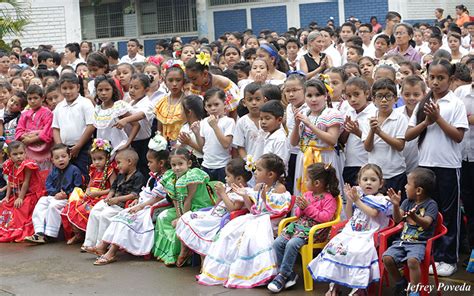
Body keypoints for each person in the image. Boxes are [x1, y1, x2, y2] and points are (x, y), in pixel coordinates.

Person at [406, 59, 468, 276]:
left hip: (448, 166)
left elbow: (458, 136)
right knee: (428, 212)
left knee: (448, 214)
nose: (435, 82)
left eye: (440, 78)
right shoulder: (423, 104)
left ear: (450, 80)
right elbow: (408, 135)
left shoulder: (455, 104)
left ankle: (448, 258)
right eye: (432, 77)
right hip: (425, 167)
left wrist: (438, 118)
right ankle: (431, 255)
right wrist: (427, 122)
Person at [197, 153, 292, 288]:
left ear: (270, 174)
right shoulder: (257, 187)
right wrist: (246, 196)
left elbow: (277, 210)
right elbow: (254, 209)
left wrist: (265, 198)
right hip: (256, 218)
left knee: (250, 237)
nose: (255, 173)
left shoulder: (279, 188)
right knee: (229, 232)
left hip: (269, 221)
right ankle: (229, 270)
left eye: (259, 170)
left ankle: (258, 272)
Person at [308, 164, 393, 295]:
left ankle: (359, 288)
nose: (368, 183)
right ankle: (334, 286)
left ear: (381, 183)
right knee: (334, 248)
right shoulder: (358, 195)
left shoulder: (381, 199)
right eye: (365, 180)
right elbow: (349, 216)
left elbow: (373, 213)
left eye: (373, 180)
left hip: (369, 234)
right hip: (352, 232)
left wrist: (357, 201)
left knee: (358, 252)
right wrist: (349, 200)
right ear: (359, 182)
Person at [93, 141, 171, 265]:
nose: (148, 164)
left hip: (156, 206)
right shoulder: (154, 175)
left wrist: (140, 206)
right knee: (121, 216)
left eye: (150, 162)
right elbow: (147, 192)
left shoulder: (167, 177)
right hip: (145, 203)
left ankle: (111, 252)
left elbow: (157, 198)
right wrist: (138, 200)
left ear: (161, 163)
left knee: (128, 218)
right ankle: (103, 244)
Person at [268, 163, 339, 293]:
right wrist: (300, 208)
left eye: (307, 179)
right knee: (278, 242)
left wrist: (307, 208)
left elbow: (325, 218)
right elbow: (297, 215)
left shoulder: (329, 199)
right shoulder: (307, 195)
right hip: (298, 227)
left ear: (316, 183)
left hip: (315, 231)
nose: (304, 181)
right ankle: (287, 274)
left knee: (292, 244)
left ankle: (283, 276)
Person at [153, 147, 217, 266]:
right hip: (182, 208)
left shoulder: (192, 176)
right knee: (163, 217)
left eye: (180, 164)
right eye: (173, 165)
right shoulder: (170, 177)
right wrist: (178, 215)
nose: (177, 168)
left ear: (189, 163)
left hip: (197, 208)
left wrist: (181, 219)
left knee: (183, 223)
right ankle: (171, 252)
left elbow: (189, 199)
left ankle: (184, 251)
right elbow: (176, 200)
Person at [176, 158, 250, 257]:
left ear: (239, 179)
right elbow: (216, 204)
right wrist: (219, 195)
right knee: (187, 217)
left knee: (197, 224)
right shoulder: (229, 188)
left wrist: (223, 193)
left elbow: (233, 209)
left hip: (222, 219)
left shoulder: (241, 192)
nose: (225, 178)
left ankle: (201, 258)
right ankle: (185, 249)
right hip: (214, 213)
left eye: (228, 176)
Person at [383, 168, 439, 296]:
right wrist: (396, 205)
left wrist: (415, 217)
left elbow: (426, 223)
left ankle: (414, 291)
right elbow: (397, 219)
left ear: (418, 190)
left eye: (408, 184)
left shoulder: (431, 205)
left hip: (420, 243)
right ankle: (400, 283)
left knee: (412, 261)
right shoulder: (407, 202)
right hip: (402, 241)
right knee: (387, 258)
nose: (405, 186)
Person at [82, 148, 145, 253]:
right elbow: (113, 188)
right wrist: (109, 197)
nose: (117, 166)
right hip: (113, 201)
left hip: (122, 204)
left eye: (119, 163)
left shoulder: (138, 176)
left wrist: (117, 199)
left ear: (129, 162)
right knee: (95, 212)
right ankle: (89, 242)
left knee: (105, 215)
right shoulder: (121, 174)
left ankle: (100, 245)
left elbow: (134, 195)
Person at [290, 79, 343, 196]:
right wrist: (297, 124)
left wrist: (310, 125)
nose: (313, 99)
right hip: (304, 157)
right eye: (309, 95)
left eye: (317, 95)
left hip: (324, 157)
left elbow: (332, 140)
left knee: (325, 193)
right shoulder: (303, 112)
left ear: (325, 96)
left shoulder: (332, 113)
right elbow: (293, 142)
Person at [61, 139, 116, 245]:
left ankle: (89, 237)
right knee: (72, 207)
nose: (97, 162)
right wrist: (87, 192)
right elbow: (90, 185)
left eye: (100, 159)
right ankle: (78, 234)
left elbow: (113, 188)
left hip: (102, 197)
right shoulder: (93, 170)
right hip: (91, 197)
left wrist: (97, 193)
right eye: (94, 159)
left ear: (107, 158)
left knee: (85, 210)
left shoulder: (110, 171)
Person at [24, 144, 83, 243]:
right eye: (57, 158)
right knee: (42, 201)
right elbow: (48, 185)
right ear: (52, 160)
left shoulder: (74, 170)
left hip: (68, 198)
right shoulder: (53, 171)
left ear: (69, 156)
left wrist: (66, 194)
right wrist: (55, 193)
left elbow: (78, 187)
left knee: (53, 206)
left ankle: (50, 234)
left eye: (63, 156)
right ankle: (39, 232)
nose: (60, 159)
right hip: (55, 196)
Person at [362, 78, 408, 197]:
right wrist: (372, 131)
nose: (383, 100)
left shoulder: (400, 118)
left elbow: (400, 145)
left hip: (395, 173)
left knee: (395, 207)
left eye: (388, 96)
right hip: (375, 175)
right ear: (373, 100)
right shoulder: (369, 119)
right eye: (379, 96)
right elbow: (367, 147)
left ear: (396, 99)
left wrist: (379, 132)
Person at [52, 73, 95, 180]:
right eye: (64, 88)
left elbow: (91, 125)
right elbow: (56, 128)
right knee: (66, 175)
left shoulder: (85, 103)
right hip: (65, 149)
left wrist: (79, 146)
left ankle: (82, 195)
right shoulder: (59, 106)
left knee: (83, 173)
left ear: (78, 87)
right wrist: (61, 147)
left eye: (71, 88)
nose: (68, 91)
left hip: (83, 147)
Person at [0, 141, 45, 242]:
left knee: (20, 207)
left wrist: (20, 198)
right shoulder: (10, 165)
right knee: (5, 205)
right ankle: (8, 228)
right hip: (16, 194)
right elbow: (10, 181)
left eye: (21, 153)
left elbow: (26, 182)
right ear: (9, 155)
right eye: (15, 154)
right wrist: (7, 197)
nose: (19, 156)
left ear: (25, 153)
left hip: (29, 194)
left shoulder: (27, 165)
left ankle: (19, 229)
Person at [115, 74, 155, 177]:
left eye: (136, 88)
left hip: (143, 143)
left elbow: (141, 115)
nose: (132, 90)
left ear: (146, 89)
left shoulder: (148, 104)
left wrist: (125, 120)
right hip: (130, 141)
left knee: (143, 168)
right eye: (131, 87)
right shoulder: (129, 102)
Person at [192, 88, 235, 182]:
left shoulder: (229, 122)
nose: (213, 108)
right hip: (207, 164)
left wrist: (215, 126)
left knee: (221, 192)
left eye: (216, 104)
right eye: (209, 105)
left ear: (224, 104)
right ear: (205, 108)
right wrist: (196, 133)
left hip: (223, 166)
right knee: (208, 194)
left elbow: (226, 144)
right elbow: (202, 146)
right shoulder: (203, 122)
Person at [340, 77, 377, 186]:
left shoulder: (374, 113)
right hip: (350, 163)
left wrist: (357, 132)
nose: (352, 99)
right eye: (349, 96)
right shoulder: (349, 111)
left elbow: (373, 142)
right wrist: (347, 130)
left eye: (356, 94)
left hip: (367, 164)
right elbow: (342, 141)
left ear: (366, 93)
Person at [185, 54, 241, 119]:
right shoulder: (194, 87)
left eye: (194, 79)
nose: (192, 82)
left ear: (205, 74)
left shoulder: (223, 83)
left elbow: (233, 110)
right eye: (189, 79)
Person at [92, 75, 139, 152]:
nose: (103, 93)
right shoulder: (97, 109)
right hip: (103, 152)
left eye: (107, 89)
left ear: (113, 90)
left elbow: (136, 125)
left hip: (119, 149)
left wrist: (127, 143)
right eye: (100, 90)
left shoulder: (118, 107)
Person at [15, 85, 53, 172]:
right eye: (30, 98)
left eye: (35, 98)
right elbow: (19, 130)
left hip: (44, 151)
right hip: (29, 151)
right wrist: (25, 137)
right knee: (31, 176)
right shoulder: (24, 114)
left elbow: (48, 132)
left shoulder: (48, 113)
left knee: (44, 175)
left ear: (42, 98)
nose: (32, 101)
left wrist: (31, 139)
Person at [397, 75, 427, 174]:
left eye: (416, 94)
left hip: (421, 167)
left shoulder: (428, 115)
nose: (411, 98)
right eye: (407, 94)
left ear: (424, 95)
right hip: (399, 167)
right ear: (401, 94)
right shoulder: (396, 115)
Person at [233, 82, 267, 159]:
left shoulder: (271, 119)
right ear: (244, 103)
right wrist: (248, 162)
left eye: (257, 99)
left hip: (269, 165)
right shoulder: (242, 122)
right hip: (250, 165)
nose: (254, 103)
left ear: (264, 101)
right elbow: (240, 147)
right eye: (250, 100)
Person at [155, 63, 186, 145]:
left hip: (182, 145)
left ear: (183, 81)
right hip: (165, 145)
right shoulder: (161, 103)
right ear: (165, 82)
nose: (174, 84)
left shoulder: (187, 102)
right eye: (170, 80)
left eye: (178, 80)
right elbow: (159, 129)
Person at [260, 100, 290, 166]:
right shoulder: (268, 135)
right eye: (261, 119)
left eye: (267, 118)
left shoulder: (280, 139)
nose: (263, 122)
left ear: (279, 120)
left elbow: (280, 164)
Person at [176, 95, 205, 165]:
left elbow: (205, 151)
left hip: (200, 163)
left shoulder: (203, 126)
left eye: (181, 110)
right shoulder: (184, 127)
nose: (179, 113)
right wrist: (182, 143)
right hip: (186, 163)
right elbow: (177, 148)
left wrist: (189, 142)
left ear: (189, 112)